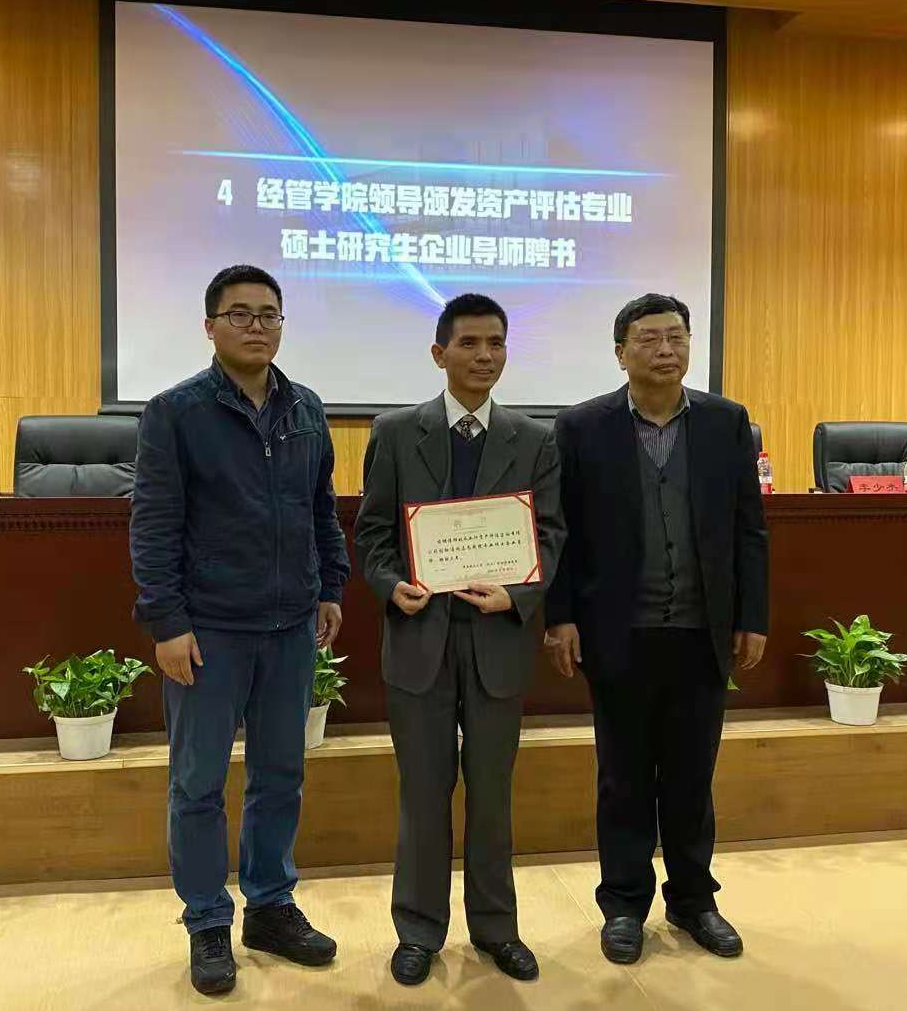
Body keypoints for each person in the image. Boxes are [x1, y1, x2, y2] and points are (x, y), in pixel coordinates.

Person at [130, 264, 350, 996]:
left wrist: (331, 586)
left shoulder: (306, 407)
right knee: (197, 783)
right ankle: (205, 920)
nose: (257, 326)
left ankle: (270, 906)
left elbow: (320, 509)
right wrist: (166, 621)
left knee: (281, 774)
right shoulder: (176, 412)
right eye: (240, 314)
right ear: (210, 326)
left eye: (268, 314)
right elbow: (153, 525)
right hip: (210, 631)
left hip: (291, 626)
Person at [546, 293, 768, 965]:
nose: (666, 349)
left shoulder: (727, 422)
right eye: (649, 339)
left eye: (676, 336)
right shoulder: (581, 427)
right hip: (619, 631)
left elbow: (748, 529)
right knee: (622, 779)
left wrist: (751, 616)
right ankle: (623, 904)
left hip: (702, 632)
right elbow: (560, 532)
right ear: (621, 353)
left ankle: (694, 900)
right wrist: (559, 616)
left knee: (691, 777)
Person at [354, 294, 565, 986]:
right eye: (469, 343)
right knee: (423, 794)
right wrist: (391, 584)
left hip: (497, 640)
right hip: (420, 639)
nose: (484, 356)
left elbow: (551, 535)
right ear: (438, 352)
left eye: (495, 343)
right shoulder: (394, 432)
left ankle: (496, 929)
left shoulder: (534, 439)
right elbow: (373, 533)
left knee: (492, 795)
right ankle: (418, 929)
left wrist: (520, 594)